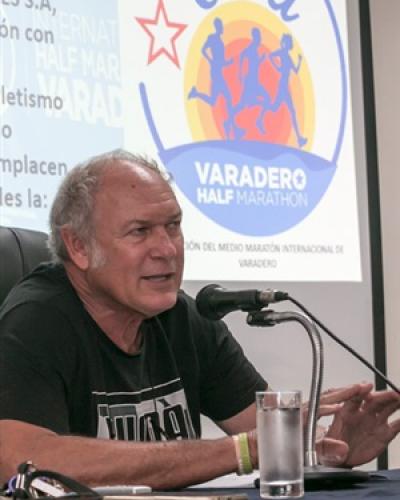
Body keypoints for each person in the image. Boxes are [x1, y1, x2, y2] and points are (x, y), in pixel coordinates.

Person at [0, 150, 399, 490]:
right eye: (140, 232)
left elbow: (268, 438)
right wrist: (240, 451)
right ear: (78, 246)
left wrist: (331, 451)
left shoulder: (181, 315)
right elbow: (20, 459)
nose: (167, 249)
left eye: (173, 226)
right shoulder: (37, 320)